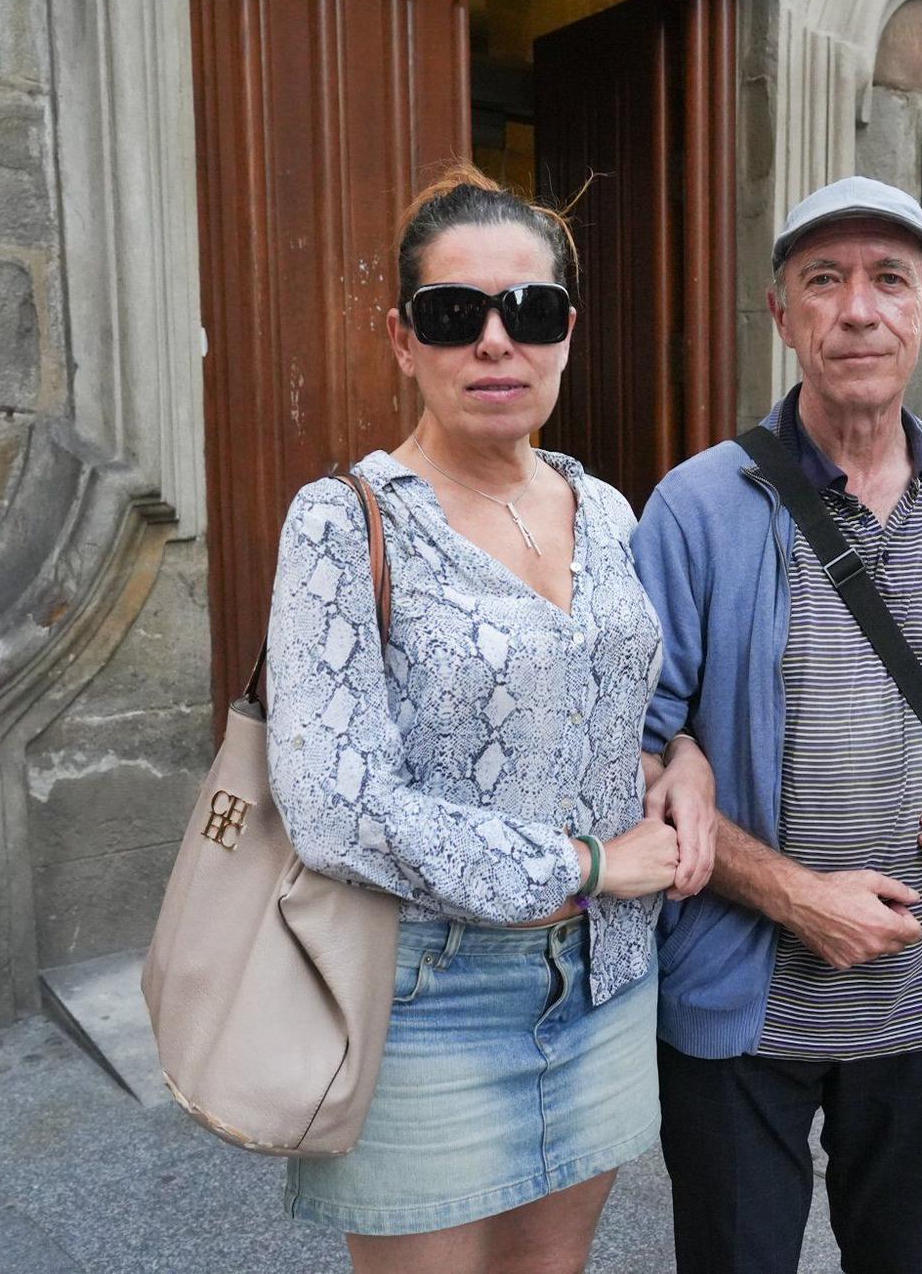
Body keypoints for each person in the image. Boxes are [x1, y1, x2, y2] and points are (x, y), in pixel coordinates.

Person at [264, 163, 716, 1273]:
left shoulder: (603, 507)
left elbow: (614, 702)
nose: (495, 341)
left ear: (567, 331)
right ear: (403, 339)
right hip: (429, 992)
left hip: (606, 980)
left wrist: (680, 757)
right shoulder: (342, 523)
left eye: (532, 311)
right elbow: (336, 809)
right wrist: (589, 863)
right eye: (454, 314)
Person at [632, 176, 922, 1274]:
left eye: (887, 280)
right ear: (782, 315)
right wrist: (794, 895)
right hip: (739, 1010)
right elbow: (627, 755)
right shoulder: (696, 507)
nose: (857, 308)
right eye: (824, 280)